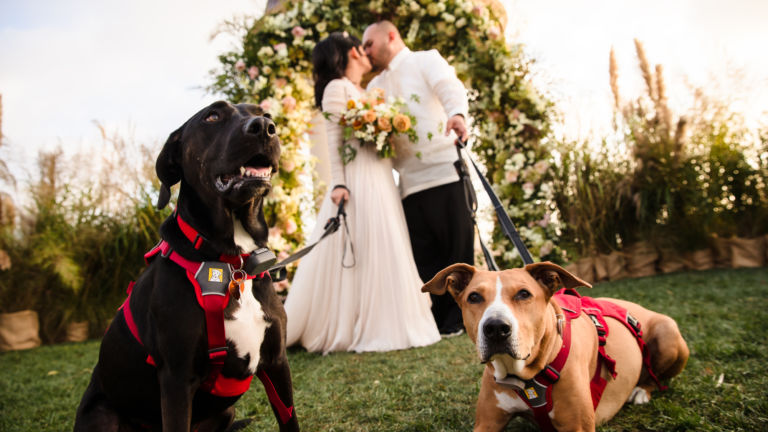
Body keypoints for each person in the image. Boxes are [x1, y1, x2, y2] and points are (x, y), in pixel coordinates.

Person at [283, 32, 440, 354]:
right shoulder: (336, 88)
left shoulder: (363, 91)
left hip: (380, 176)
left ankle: (391, 318)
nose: (368, 53)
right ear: (353, 52)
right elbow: (334, 140)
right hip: (357, 180)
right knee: (367, 246)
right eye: (362, 47)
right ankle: (355, 323)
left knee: (385, 244)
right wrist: (339, 183)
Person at [362, 21, 474, 336]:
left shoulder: (425, 60)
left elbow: (449, 87)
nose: (366, 51)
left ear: (391, 36)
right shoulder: (374, 87)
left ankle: (462, 318)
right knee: (425, 259)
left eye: (369, 44)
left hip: (444, 172)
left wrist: (457, 114)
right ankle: (440, 320)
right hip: (408, 185)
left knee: (457, 253)